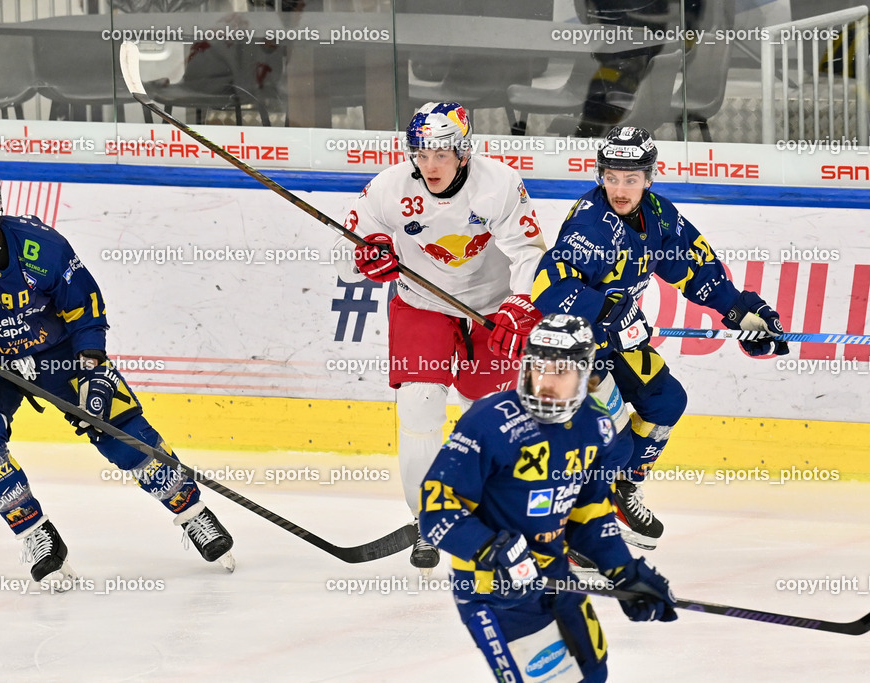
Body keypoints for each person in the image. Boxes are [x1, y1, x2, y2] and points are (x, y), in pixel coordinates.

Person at [0, 158, 235, 586]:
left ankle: (192, 512)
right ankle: (35, 533)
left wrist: (94, 367)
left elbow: (86, 311)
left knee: (119, 425)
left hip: (57, 352)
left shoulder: (40, 246)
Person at [530, 126, 788, 550]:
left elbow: (698, 272)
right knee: (610, 442)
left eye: (631, 178)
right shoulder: (591, 227)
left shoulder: (661, 216)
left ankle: (623, 492)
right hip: (573, 349)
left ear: (649, 178)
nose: (620, 188)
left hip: (614, 342)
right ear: (600, 175)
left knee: (667, 402)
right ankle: (575, 534)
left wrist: (742, 311)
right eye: (611, 177)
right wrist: (612, 312)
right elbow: (549, 291)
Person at [334, 102, 547, 573]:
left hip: (489, 310)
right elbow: (346, 252)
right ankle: (427, 517)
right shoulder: (388, 188)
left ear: (464, 152)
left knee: (487, 413)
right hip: (422, 305)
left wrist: (522, 301)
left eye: (441, 153)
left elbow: (530, 252)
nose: (430, 164)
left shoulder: (500, 184)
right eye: (421, 152)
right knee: (419, 404)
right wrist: (365, 258)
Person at [419, 313, 677, 682]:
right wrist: (492, 548)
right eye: (539, 368)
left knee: (593, 674)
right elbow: (436, 511)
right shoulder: (489, 421)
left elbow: (590, 515)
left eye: (561, 373)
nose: (546, 384)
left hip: (555, 575)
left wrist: (624, 572)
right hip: (494, 590)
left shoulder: (596, 425)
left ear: (586, 377)